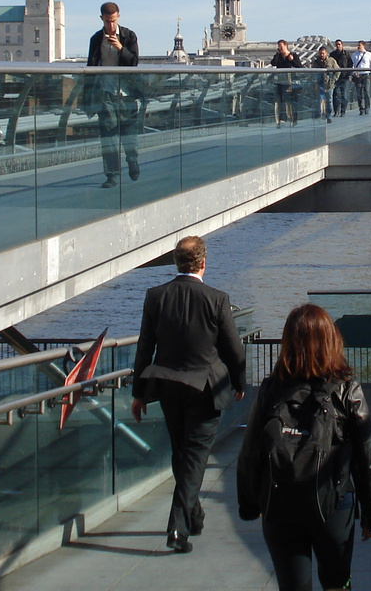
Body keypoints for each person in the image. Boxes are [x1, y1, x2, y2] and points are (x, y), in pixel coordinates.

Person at [238, 304, 371, 591]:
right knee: (337, 583)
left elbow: (249, 454)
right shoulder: (347, 391)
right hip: (332, 505)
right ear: (331, 341)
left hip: (279, 505)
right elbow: (366, 461)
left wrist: (250, 503)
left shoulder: (271, 389)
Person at [130, 235, 247, 554]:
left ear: (175, 262)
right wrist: (239, 382)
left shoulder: (156, 296)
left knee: (182, 453)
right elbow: (233, 349)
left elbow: (145, 348)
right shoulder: (217, 299)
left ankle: (193, 516)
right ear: (203, 263)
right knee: (194, 456)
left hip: (167, 386)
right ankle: (178, 529)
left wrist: (138, 393)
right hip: (206, 389)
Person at [85, 2, 141, 188]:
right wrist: (88, 99)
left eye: (113, 21)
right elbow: (90, 68)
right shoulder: (95, 39)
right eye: (108, 21)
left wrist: (120, 48)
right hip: (105, 94)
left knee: (129, 135)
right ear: (101, 18)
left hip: (127, 94)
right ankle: (112, 176)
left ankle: (132, 160)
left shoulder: (128, 36)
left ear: (119, 17)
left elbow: (133, 63)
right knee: (108, 136)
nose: (111, 25)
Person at [271, 40, 303, 126]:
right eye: (279, 47)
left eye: (281, 46)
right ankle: (283, 118)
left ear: (286, 46)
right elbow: (273, 63)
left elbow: (300, 67)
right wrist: (278, 54)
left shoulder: (293, 55)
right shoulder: (279, 56)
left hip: (293, 83)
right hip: (281, 82)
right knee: (282, 101)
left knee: (293, 101)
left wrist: (292, 60)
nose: (280, 48)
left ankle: (294, 119)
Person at [329, 39, 353, 117]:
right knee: (335, 94)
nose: (338, 46)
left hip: (345, 77)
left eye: (339, 44)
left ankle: (343, 111)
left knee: (344, 95)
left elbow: (350, 65)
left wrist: (349, 75)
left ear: (342, 45)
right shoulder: (332, 54)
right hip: (336, 77)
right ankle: (336, 111)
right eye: (336, 44)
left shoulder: (346, 54)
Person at [350, 40, 371, 115]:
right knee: (359, 93)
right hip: (358, 75)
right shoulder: (354, 55)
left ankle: (367, 108)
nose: (358, 47)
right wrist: (353, 73)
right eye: (358, 45)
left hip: (366, 74)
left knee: (366, 92)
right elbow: (352, 65)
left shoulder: (369, 54)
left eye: (359, 45)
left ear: (364, 46)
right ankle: (361, 108)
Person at [315, 46, 337, 123]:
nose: (322, 55)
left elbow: (338, 70)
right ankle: (320, 115)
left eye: (323, 53)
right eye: (320, 53)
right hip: (320, 84)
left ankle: (328, 116)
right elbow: (313, 73)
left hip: (329, 85)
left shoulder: (331, 61)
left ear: (326, 53)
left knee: (329, 101)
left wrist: (333, 79)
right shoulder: (316, 62)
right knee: (320, 100)